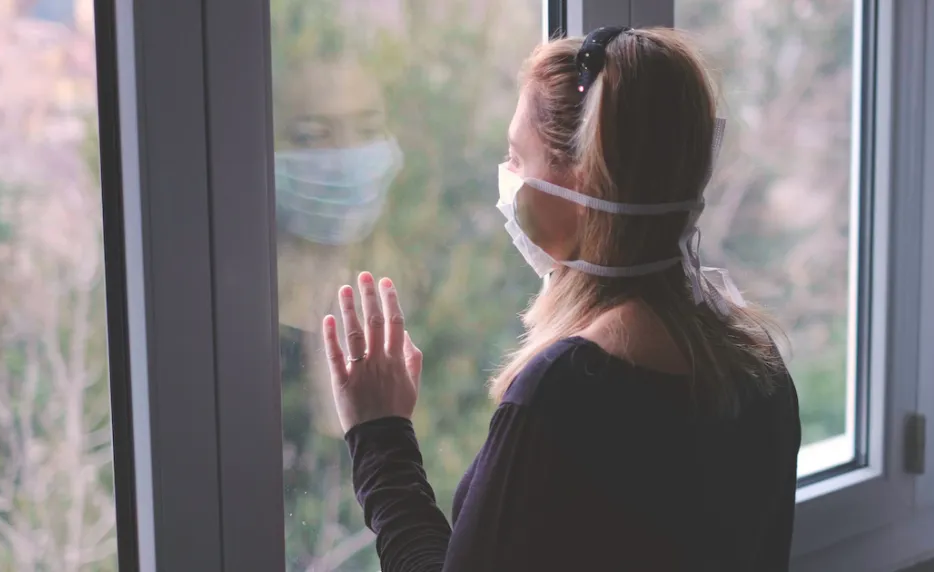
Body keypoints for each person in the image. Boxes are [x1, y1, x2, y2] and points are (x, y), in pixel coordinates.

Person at [321, 26, 802, 571]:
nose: (507, 179)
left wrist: (380, 435)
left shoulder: (565, 394)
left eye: (516, 157)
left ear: (582, 185)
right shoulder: (757, 364)